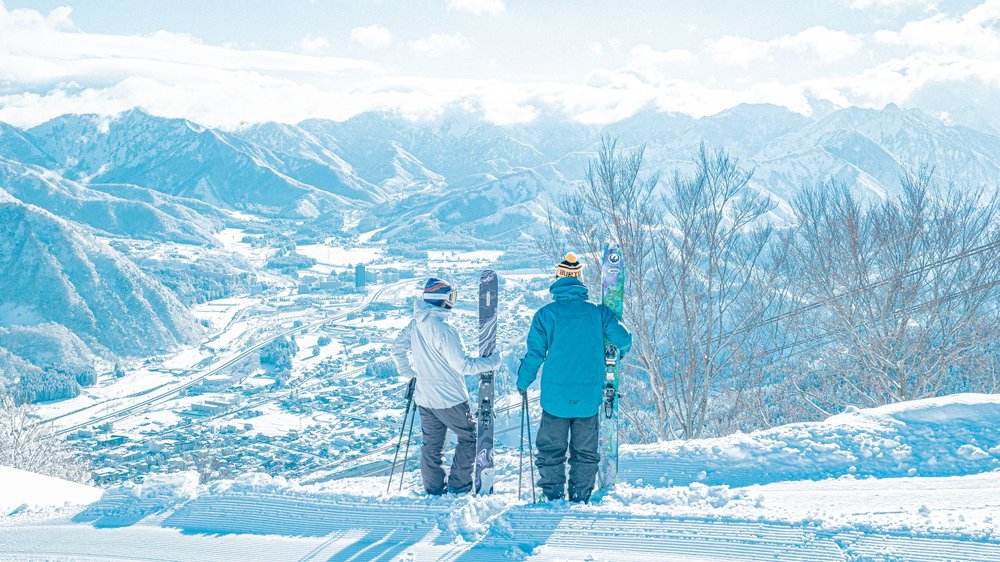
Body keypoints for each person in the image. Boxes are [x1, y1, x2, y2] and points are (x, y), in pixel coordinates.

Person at [516, 253, 632, 503]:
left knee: (550, 451)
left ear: (558, 279)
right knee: (585, 452)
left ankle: (553, 496)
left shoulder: (545, 315)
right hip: (588, 398)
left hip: (555, 398)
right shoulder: (598, 314)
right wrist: (616, 355)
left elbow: (534, 355)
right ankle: (580, 497)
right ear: (580, 281)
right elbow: (624, 339)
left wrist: (522, 382)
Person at [391, 277, 500, 495]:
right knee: (469, 436)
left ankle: (433, 489)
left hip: (424, 398)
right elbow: (462, 365)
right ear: (441, 300)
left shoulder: (415, 324)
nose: (453, 302)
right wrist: (491, 362)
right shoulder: (445, 329)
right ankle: (458, 485)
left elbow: (397, 348)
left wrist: (410, 374)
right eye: (451, 297)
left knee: (431, 445)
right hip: (449, 397)